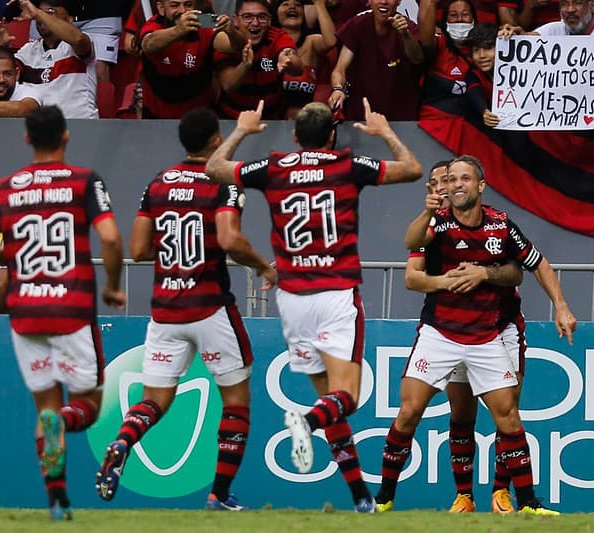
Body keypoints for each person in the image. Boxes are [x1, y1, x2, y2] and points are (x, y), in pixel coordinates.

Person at [204, 99, 423, 511]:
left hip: (292, 300)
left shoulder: (273, 167)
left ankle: (361, 499)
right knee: (347, 399)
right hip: (336, 293)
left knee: (332, 405)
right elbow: (412, 169)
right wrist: (384, 131)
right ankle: (305, 422)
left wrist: (241, 130)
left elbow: (215, 169)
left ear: (294, 136)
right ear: (333, 135)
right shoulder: (346, 164)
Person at [96, 108, 277, 510]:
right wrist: (264, 265)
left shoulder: (158, 184)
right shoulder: (223, 184)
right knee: (236, 402)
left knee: (155, 399)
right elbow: (230, 240)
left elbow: (140, 249)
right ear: (217, 140)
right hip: (211, 307)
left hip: (165, 311)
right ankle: (219, 494)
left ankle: (123, 440)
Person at [0, 105, 126, 521]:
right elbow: (109, 237)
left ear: (26, 140)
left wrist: (13, 256)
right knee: (87, 405)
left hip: (26, 312)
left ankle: (57, 504)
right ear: (66, 136)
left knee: (45, 408)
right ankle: (63, 423)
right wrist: (111, 285)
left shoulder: (4, 188)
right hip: (71, 308)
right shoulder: (84, 181)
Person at [374, 154, 560, 516]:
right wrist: (443, 270)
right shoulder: (436, 224)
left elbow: (529, 266)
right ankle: (383, 499)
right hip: (440, 333)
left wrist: (561, 307)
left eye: (463, 179)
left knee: (508, 415)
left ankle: (526, 503)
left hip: (491, 332)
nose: (455, 185)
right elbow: (411, 251)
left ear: (480, 185)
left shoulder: (501, 225)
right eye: (450, 179)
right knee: (411, 411)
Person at [137, 0, 243, 119]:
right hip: (156, 116)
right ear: (161, 8)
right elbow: (148, 44)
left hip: (198, 118)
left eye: (188, 5)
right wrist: (178, 30)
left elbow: (235, 47)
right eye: (174, 5)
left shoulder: (204, 22)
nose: (183, 11)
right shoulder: (154, 24)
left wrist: (231, 32)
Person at [329, 0, 424, 120]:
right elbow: (340, 69)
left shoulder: (408, 26)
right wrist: (337, 89)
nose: (383, 1)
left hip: (400, 116)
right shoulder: (357, 24)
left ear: (399, 1)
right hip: (361, 115)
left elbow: (417, 58)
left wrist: (405, 35)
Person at [499, 0, 594, 85]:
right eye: (564, 4)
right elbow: (527, 39)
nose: (570, 10)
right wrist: (514, 35)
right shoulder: (554, 28)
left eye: (578, 3)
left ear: (592, 6)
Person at [215, 0, 303, 119]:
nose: (255, 23)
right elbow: (228, 86)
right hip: (233, 117)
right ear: (235, 20)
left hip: (272, 119)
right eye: (247, 17)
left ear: (269, 20)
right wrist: (245, 65)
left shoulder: (276, 36)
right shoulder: (226, 40)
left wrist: (288, 60)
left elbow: (298, 69)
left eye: (262, 17)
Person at [12, 0, 99, 119]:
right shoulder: (27, 50)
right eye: (40, 12)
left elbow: (78, 39)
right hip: (41, 130)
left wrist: (38, 13)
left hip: (81, 127)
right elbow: (5, 76)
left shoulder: (76, 45)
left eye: (50, 12)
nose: (40, 17)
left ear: (69, 20)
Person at [274, 0, 337, 119]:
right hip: (272, 122)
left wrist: (319, 4)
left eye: (298, 5)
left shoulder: (311, 42)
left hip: (307, 123)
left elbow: (331, 41)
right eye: (285, 4)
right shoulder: (270, 42)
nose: (292, 7)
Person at [418, 0, 478, 117]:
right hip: (437, 120)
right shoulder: (440, 44)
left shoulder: (482, 47)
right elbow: (426, 41)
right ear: (445, 21)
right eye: (453, 15)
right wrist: (431, 4)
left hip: (474, 121)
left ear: (474, 19)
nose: (460, 19)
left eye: (465, 14)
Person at [464, 23, 499, 126]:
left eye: (488, 48)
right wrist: (485, 111)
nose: (482, 55)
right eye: (476, 50)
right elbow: (474, 92)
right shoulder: (473, 74)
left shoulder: (517, 70)